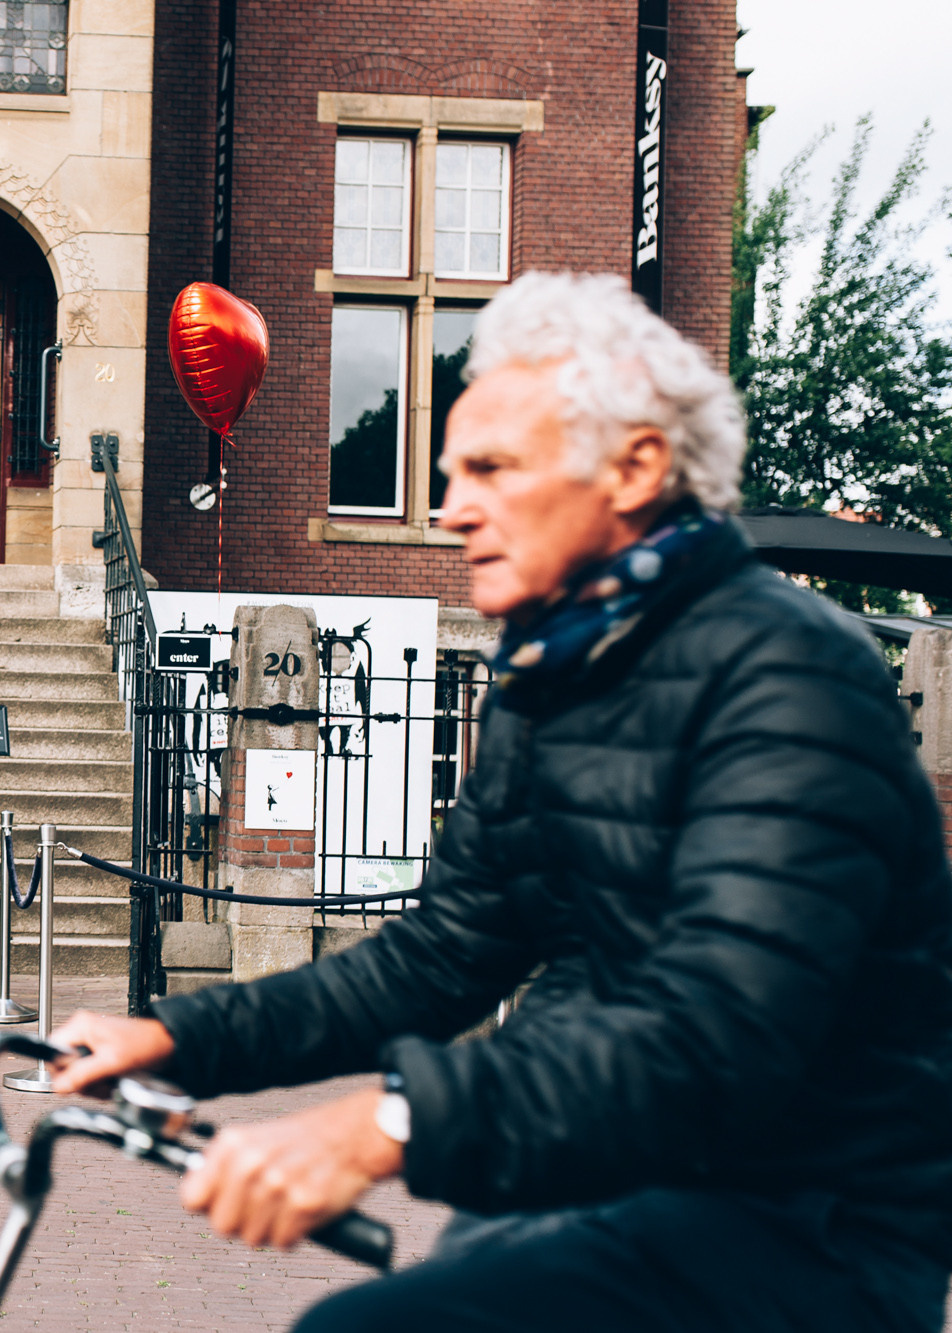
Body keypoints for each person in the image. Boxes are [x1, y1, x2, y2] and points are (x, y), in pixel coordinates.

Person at [51, 272, 952, 1332]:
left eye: (489, 469)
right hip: (606, 1174)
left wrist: (384, 1122)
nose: (449, 509)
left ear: (634, 468)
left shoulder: (787, 677)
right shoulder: (553, 676)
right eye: (447, 474)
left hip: (800, 1219)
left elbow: (714, 1035)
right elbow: (437, 957)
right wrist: (171, 1037)